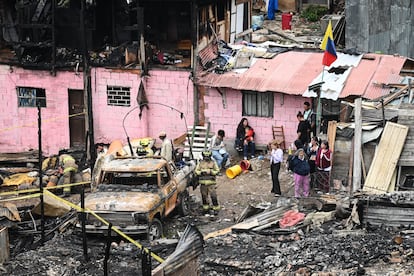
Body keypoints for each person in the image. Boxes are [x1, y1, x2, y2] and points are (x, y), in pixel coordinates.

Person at [194, 150, 220, 215]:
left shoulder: (213, 163)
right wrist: (201, 172)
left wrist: (211, 172)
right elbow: (196, 171)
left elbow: (217, 170)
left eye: (208, 157)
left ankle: (216, 208)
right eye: (205, 157)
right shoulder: (200, 163)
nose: (206, 158)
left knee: (213, 196)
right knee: (204, 196)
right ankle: (206, 208)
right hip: (203, 183)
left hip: (211, 183)